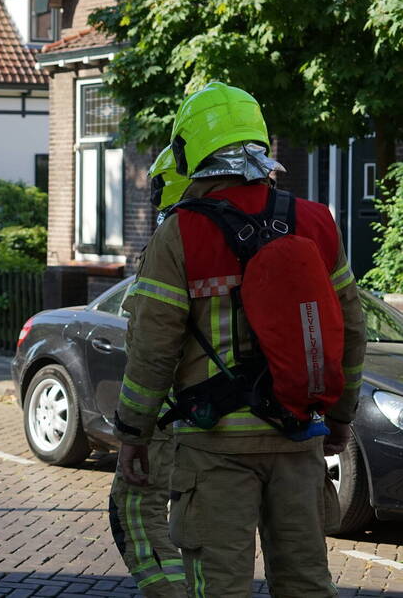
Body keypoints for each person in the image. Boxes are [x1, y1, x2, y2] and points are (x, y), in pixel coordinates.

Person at [115, 82, 367, 597]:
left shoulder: (181, 232)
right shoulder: (316, 221)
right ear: (261, 141)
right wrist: (339, 418)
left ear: (189, 151)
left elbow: (153, 349)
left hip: (214, 451)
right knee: (305, 584)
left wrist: (133, 435)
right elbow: (351, 331)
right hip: (298, 438)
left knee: (220, 587)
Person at [107, 144, 189, 598]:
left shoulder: (174, 244)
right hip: (272, 424)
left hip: (173, 419)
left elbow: (152, 349)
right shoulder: (280, 230)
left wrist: (133, 434)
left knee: (134, 515)